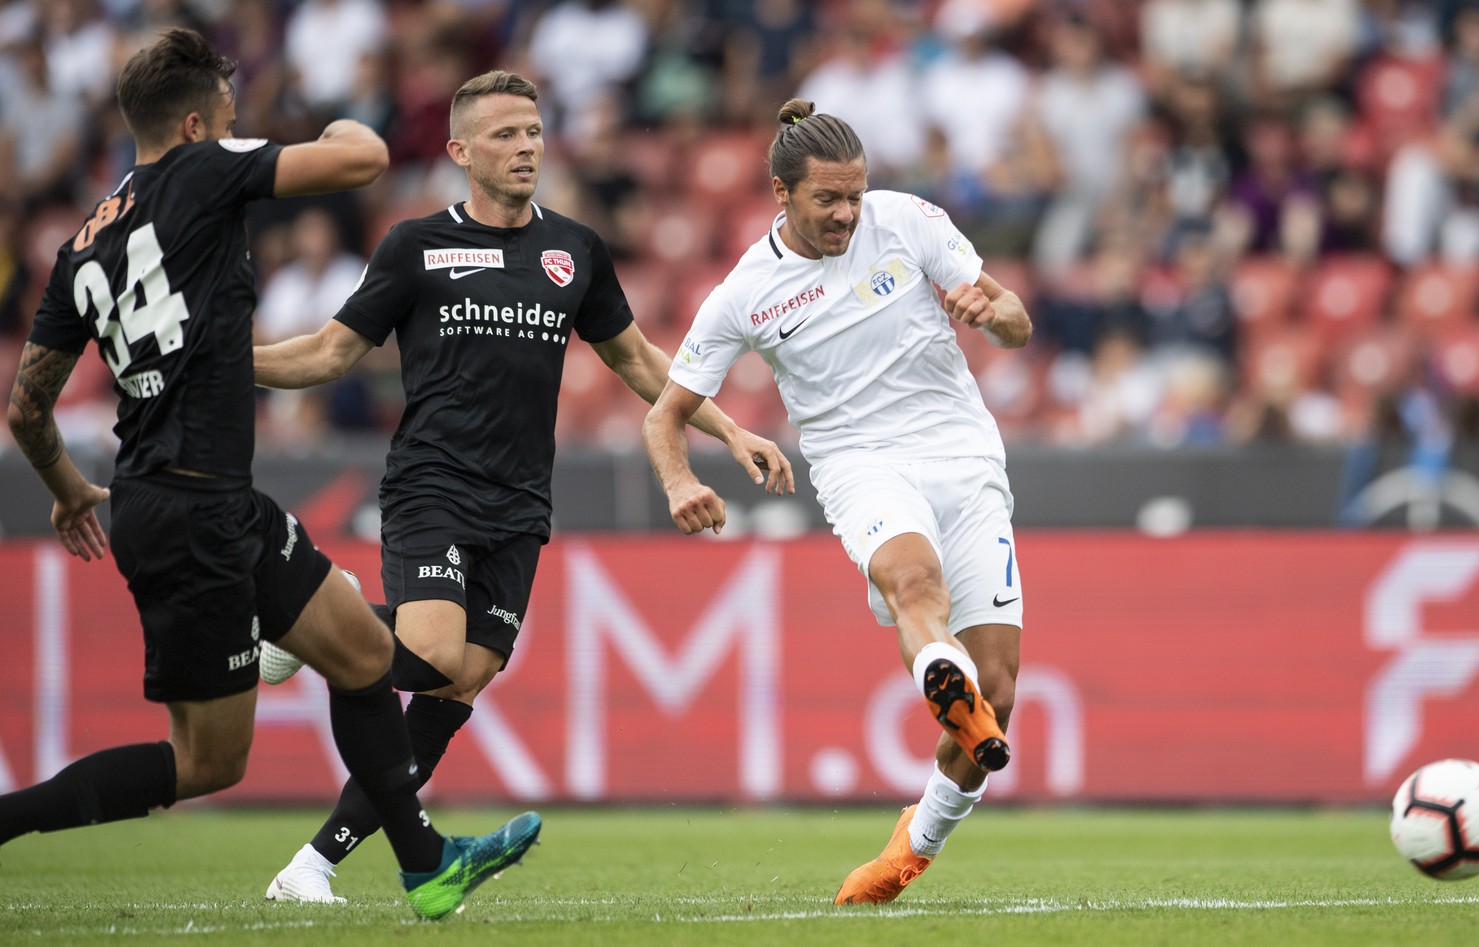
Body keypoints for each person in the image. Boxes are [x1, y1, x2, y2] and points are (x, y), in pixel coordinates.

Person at [0, 28, 538, 922]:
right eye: (229, 116)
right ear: (194, 120)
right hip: (195, 507)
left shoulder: (80, 247)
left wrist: (66, 491)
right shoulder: (204, 166)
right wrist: (336, 100)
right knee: (209, 761)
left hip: (186, 498)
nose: (235, 128)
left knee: (364, 655)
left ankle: (425, 863)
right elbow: (362, 156)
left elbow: (25, 407)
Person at [251, 70, 791, 902]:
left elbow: (641, 361)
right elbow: (329, 351)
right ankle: (320, 617)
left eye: (535, 132)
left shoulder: (573, 249)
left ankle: (313, 864)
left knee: (459, 677)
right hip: (432, 482)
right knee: (429, 652)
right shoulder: (415, 245)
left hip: (520, 502)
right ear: (462, 151)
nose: (527, 147)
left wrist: (728, 429)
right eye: (505, 135)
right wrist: (231, 364)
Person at [642, 98, 1033, 905]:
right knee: (914, 583)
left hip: (965, 456)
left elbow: (1017, 321)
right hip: (862, 466)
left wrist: (992, 314)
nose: (848, 214)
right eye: (828, 199)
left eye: (855, 195)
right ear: (781, 194)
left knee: (996, 691)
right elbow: (664, 414)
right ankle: (938, 675)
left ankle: (912, 845)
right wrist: (682, 479)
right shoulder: (744, 294)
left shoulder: (910, 221)